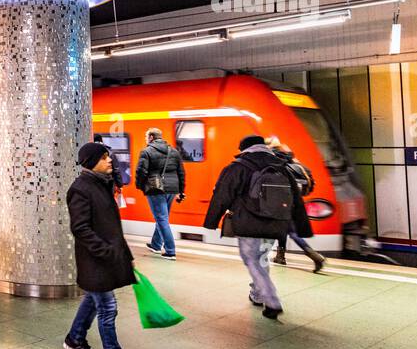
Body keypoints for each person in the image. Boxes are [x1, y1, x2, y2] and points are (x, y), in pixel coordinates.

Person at [204, 134, 313, 320]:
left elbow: (222, 195)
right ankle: (257, 294)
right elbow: (296, 199)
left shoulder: (237, 167)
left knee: (252, 260)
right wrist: (302, 226)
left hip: (249, 223)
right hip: (275, 222)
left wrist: (211, 222)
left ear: (244, 149)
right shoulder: (281, 167)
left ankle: (272, 301)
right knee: (261, 258)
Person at [65, 142, 139, 349]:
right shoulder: (80, 189)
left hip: (106, 258)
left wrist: (124, 254)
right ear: (91, 161)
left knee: (93, 301)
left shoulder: (102, 185)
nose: (111, 161)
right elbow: (80, 228)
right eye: (105, 157)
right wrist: (107, 252)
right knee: (108, 308)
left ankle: (75, 338)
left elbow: (111, 227)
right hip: (94, 260)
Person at [270, 141, 326, 272]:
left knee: (291, 231)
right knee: (283, 229)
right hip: (295, 201)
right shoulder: (296, 163)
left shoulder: (275, 163)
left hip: (280, 203)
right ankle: (280, 256)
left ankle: (315, 257)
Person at [135, 127, 186, 259]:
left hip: (155, 188)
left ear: (151, 137)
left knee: (161, 218)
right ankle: (156, 244)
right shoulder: (173, 151)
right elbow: (181, 173)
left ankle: (170, 250)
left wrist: (140, 186)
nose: (146, 140)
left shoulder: (146, 151)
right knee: (163, 217)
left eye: (147, 137)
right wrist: (181, 190)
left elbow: (141, 171)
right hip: (172, 189)